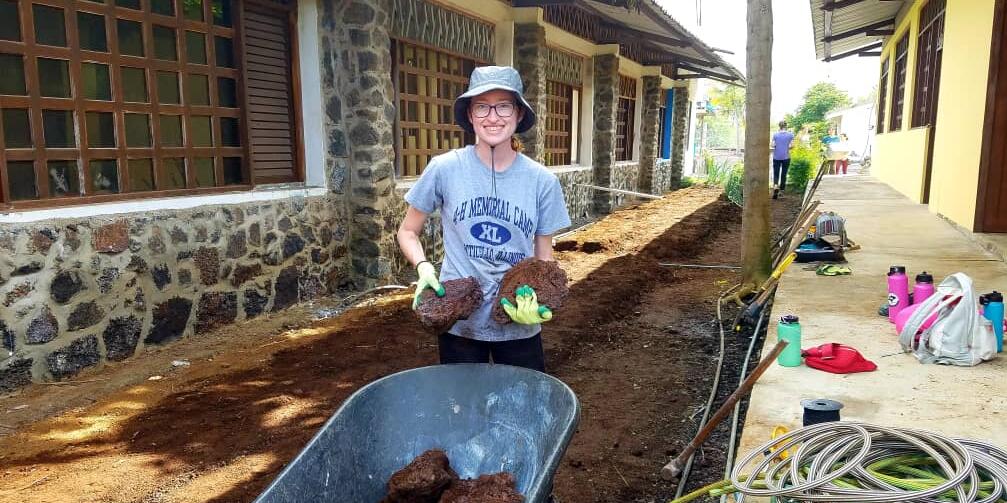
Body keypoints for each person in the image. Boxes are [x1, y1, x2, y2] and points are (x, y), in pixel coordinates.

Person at [396, 66, 572, 373]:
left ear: (518, 114)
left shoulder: (542, 181)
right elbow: (408, 231)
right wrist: (424, 268)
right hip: (460, 322)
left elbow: (544, 260)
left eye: (503, 105)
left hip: (517, 321)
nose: (493, 117)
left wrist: (541, 304)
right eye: (482, 106)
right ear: (470, 116)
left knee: (523, 411)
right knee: (464, 412)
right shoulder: (444, 169)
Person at [770, 120, 795, 199]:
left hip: (776, 157)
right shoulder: (790, 135)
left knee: (776, 173)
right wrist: (786, 146)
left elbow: (773, 145)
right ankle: (782, 190)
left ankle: (775, 187)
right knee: (784, 174)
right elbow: (792, 146)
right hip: (786, 157)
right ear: (786, 126)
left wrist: (777, 146)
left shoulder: (775, 135)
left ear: (779, 126)